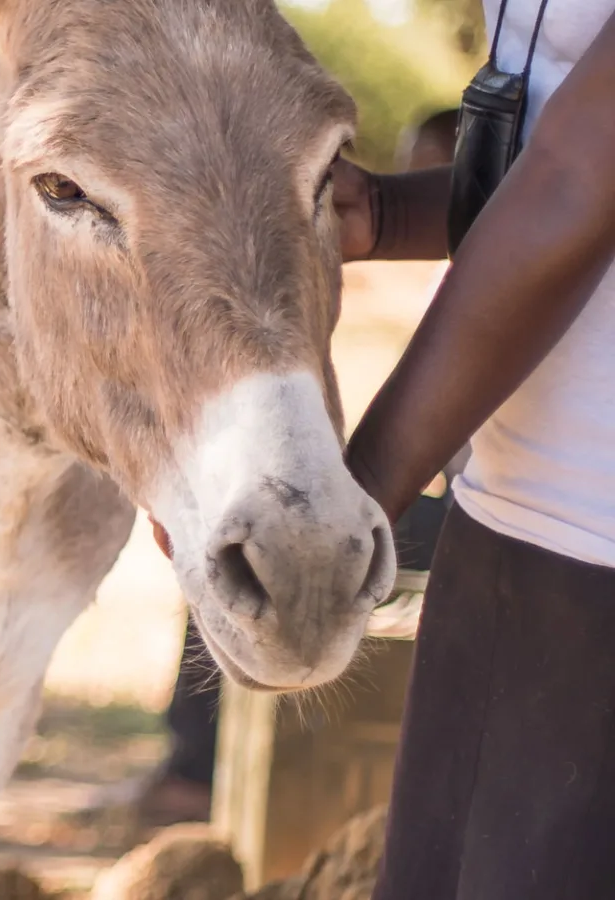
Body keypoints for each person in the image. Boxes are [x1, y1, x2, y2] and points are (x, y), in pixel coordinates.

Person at [334, 2, 615, 895]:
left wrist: (358, 489)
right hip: (511, 501)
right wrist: (385, 210)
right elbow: (548, 138)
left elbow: (582, 175)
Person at [126, 106, 469, 832]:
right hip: (459, 496)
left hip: (480, 513)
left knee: (270, 548)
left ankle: (194, 772)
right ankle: (197, 767)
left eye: (427, 175)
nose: (408, 184)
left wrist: (358, 495)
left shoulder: (495, 268)